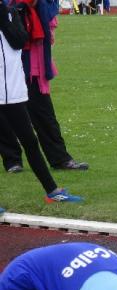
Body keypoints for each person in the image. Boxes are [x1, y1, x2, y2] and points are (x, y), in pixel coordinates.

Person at [0, 1, 81, 204]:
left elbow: (19, 41)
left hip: (13, 91)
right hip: (6, 90)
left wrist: (6, 15)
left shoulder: (11, 13)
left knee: (30, 141)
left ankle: (52, 191)